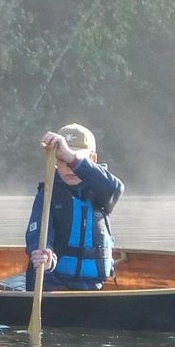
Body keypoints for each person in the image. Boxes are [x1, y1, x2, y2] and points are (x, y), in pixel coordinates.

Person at [25, 123, 125, 291]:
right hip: (54, 283)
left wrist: (71, 157)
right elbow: (38, 232)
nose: (69, 168)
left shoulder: (102, 189)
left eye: (73, 160)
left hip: (94, 286)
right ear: (55, 160)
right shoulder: (49, 192)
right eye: (62, 160)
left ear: (92, 159)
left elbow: (115, 190)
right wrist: (44, 254)